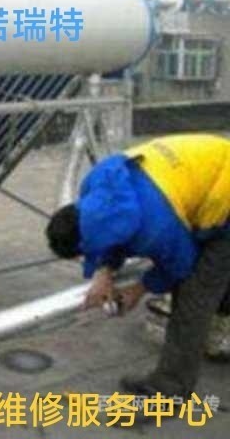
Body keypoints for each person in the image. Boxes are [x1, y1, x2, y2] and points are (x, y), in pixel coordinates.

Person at [45, 133, 230, 399]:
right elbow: (112, 230)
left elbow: (180, 265)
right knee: (216, 284)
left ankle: (169, 391)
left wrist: (139, 289)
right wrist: (104, 271)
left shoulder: (156, 229)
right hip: (200, 172)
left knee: (192, 297)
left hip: (224, 197)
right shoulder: (95, 184)